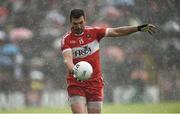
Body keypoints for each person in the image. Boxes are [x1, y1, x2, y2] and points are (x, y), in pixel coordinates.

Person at [60, 8, 156, 114]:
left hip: (95, 84)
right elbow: (67, 60)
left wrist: (137, 28)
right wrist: (75, 71)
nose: (78, 26)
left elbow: (116, 31)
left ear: (85, 20)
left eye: (81, 23)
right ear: (70, 22)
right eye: (75, 23)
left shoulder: (94, 32)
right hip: (76, 84)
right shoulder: (66, 39)